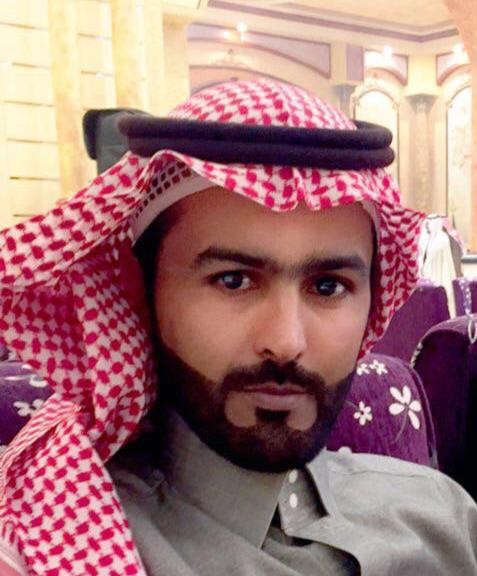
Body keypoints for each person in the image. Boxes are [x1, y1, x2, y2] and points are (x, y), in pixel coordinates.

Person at [0, 79, 476, 575]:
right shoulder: (40, 542)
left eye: (328, 286)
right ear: (139, 295)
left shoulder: (443, 515)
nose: (286, 342)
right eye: (233, 281)